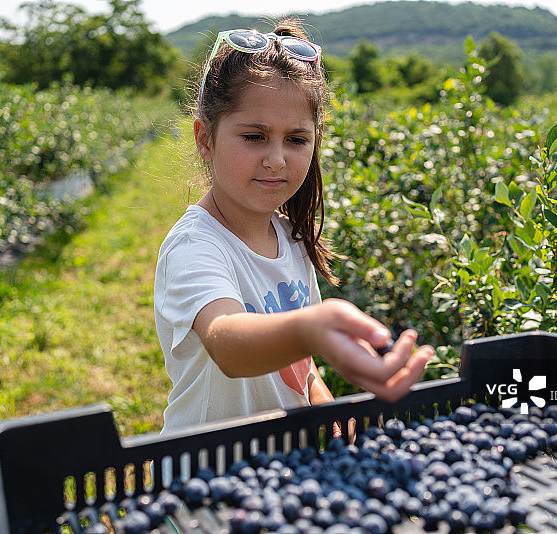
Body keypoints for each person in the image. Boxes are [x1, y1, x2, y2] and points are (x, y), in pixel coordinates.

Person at [154, 19, 435, 435]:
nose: (276, 160)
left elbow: (298, 366)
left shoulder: (292, 239)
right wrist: (311, 330)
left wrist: (328, 408)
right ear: (205, 140)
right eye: (254, 137)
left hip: (282, 470)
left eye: (297, 139)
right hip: (207, 472)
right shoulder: (195, 247)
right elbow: (227, 343)